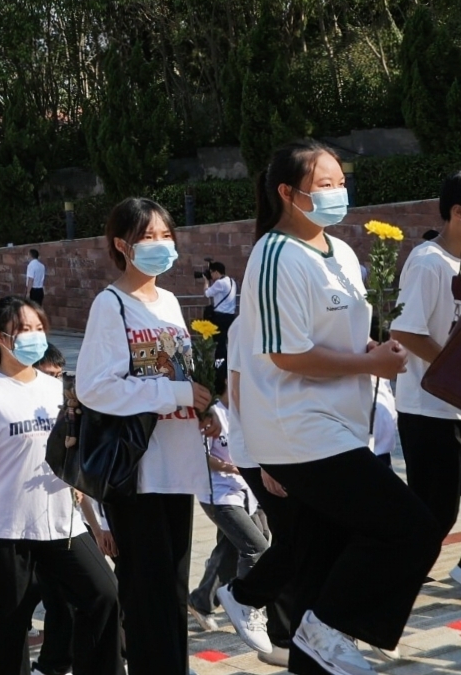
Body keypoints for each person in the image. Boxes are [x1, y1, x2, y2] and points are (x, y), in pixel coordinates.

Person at [225, 138, 441, 675]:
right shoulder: (275, 255)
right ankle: (329, 627)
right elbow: (286, 353)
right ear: (287, 192)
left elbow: (333, 335)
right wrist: (369, 365)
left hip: (341, 424)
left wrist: (371, 351)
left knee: (323, 554)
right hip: (297, 427)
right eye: (324, 184)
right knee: (411, 527)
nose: (338, 192)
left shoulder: (341, 253)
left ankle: (315, 644)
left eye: (341, 182)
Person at [75, 197, 214, 675]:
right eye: (147, 237)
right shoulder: (110, 304)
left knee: (172, 591)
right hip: (137, 471)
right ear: (122, 245)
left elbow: (180, 372)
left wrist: (204, 407)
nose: (161, 245)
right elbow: (94, 387)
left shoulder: (171, 302)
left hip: (178, 464)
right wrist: (173, 393)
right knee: (147, 596)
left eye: (166, 235)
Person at [0, 296, 120, 675]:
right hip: (6, 532)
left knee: (104, 595)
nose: (35, 336)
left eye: (39, 328)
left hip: (62, 524)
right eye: (24, 330)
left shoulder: (54, 388)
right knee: (6, 632)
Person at [388, 170, 461, 564]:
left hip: (453, 406)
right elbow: (405, 330)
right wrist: (454, 372)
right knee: (433, 513)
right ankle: (391, 579)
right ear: (457, 212)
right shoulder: (429, 263)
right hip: (428, 410)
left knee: (440, 513)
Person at [187, 403, 267, 633]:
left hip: (248, 491)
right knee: (255, 547)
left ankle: (202, 600)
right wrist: (233, 468)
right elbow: (200, 456)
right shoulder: (213, 413)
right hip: (220, 494)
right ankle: (244, 604)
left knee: (232, 548)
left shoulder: (246, 409)